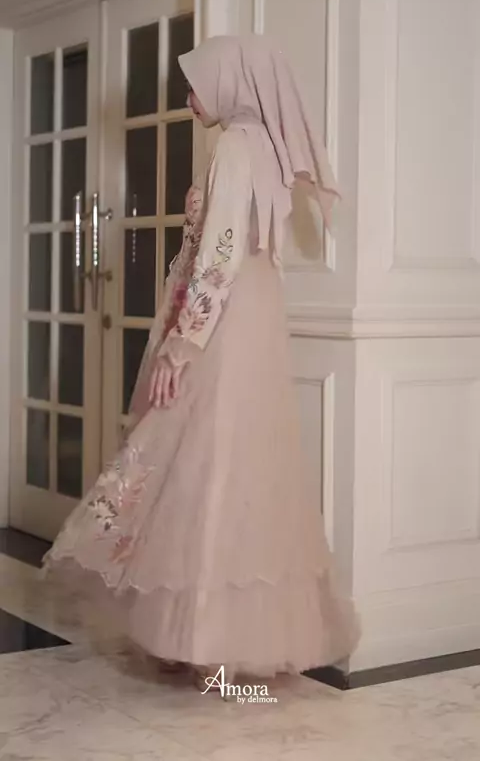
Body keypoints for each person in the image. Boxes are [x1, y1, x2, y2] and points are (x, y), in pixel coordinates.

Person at [44, 34, 358, 691]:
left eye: (197, 83)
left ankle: (202, 640)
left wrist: (183, 343)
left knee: (198, 464)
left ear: (229, 83)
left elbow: (220, 253)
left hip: (223, 324)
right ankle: (225, 641)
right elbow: (243, 246)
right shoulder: (266, 146)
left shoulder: (236, 145)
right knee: (237, 468)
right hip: (254, 322)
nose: (190, 98)